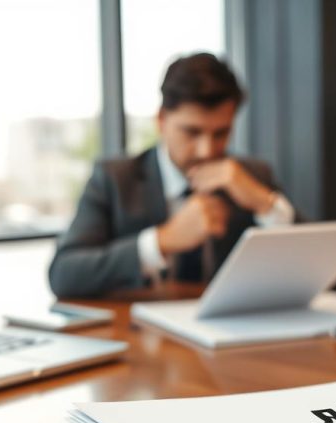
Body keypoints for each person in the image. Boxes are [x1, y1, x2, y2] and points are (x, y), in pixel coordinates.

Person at [48, 53, 296, 298]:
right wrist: (162, 240)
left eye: (221, 133)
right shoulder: (115, 179)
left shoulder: (251, 176)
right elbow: (63, 273)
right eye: (192, 132)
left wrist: (266, 205)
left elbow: (325, 260)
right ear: (161, 120)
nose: (206, 150)